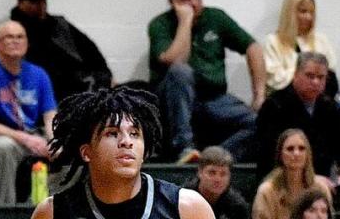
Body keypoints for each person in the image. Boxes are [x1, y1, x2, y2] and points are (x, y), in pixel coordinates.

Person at [30, 86, 213, 219]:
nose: (127, 141)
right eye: (112, 133)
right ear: (87, 152)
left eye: (134, 134)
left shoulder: (188, 209)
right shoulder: (52, 213)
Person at [148, 0, 266, 162]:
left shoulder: (215, 17)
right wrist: (185, 21)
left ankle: (214, 158)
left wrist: (259, 94)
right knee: (180, 71)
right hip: (177, 99)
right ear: (172, 2)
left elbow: (253, 48)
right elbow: (177, 59)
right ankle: (184, 148)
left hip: (214, 98)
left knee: (259, 121)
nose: (193, 3)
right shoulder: (160, 24)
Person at [0, 0, 112, 102]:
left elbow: (91, 52)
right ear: (21, 3)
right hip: (35, 95)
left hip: (77, 88)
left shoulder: (60, 25)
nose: (41, 5)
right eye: (34, 1)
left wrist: (105, 76)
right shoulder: (10, 31)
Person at [0, 20, 56, 203]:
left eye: (20, 37)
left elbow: (50, 115)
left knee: (66, 148)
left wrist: (54, 141)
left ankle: (47, 209)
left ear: (27, 43)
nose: (15, 41)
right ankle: (7, 211)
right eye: (8, 37)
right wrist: (26, 138)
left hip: (29, 136)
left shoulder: (39, 74)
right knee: (5, 147)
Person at [255, 52, 340, 198]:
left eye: (321, 77)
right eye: (310, 76)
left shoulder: (330, 107)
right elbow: (268, 156)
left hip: (327, 178)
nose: (315, 82)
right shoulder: (274, 106)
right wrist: (309, 179)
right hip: (283, 179)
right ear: (295, 74)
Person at [264, 0, 340, 96]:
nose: (309, 17)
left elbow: (330, 75)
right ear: (290, 12)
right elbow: (274, 79)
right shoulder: (272, 42)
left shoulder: (321, 40)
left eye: (312, 12)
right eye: (303, 11)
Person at [252, 128, 330, 219]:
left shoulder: (321, 188)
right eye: (290, 149)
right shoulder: (267, 191)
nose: (296, 153)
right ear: (280, 155)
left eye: (302, 148)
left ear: (308, 154)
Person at [185, 146, 250, 219]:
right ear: (200, 172)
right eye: (212, 173)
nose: (217, 179)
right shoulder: (181, 198)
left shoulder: (237, 207)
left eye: (223, 174)